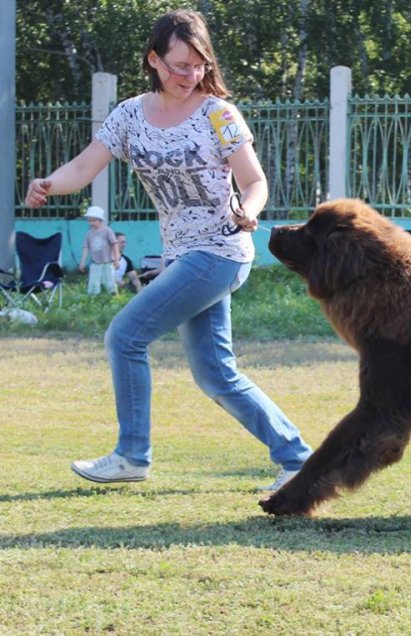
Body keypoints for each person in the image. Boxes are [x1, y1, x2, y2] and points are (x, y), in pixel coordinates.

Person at [24, 9, 311, 491]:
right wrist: (48, 184)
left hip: (220, 251)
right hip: (180, 254)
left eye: (199, 65)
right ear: (154, 60)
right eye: (180, 65)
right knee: (216, 374)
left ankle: (132, 454)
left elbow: (254, 181)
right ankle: (300, 460)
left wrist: (249, 208)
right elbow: (83, 168)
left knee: (125, 336)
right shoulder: (129, 115)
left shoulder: (219, 113)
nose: (191, 75)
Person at [78, 206, 119, 295]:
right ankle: (93, 296)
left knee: (110, 281)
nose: (91, 223)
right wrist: (82, 262)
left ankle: (113, 295)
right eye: (89, 220)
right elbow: (86, 247)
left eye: (94, 220)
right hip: (95, 262)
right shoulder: (89, 234)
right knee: (93, 282)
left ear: (100, 220)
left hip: (107, 262)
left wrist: (116, 259)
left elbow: (114, 245)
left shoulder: (107, 231)